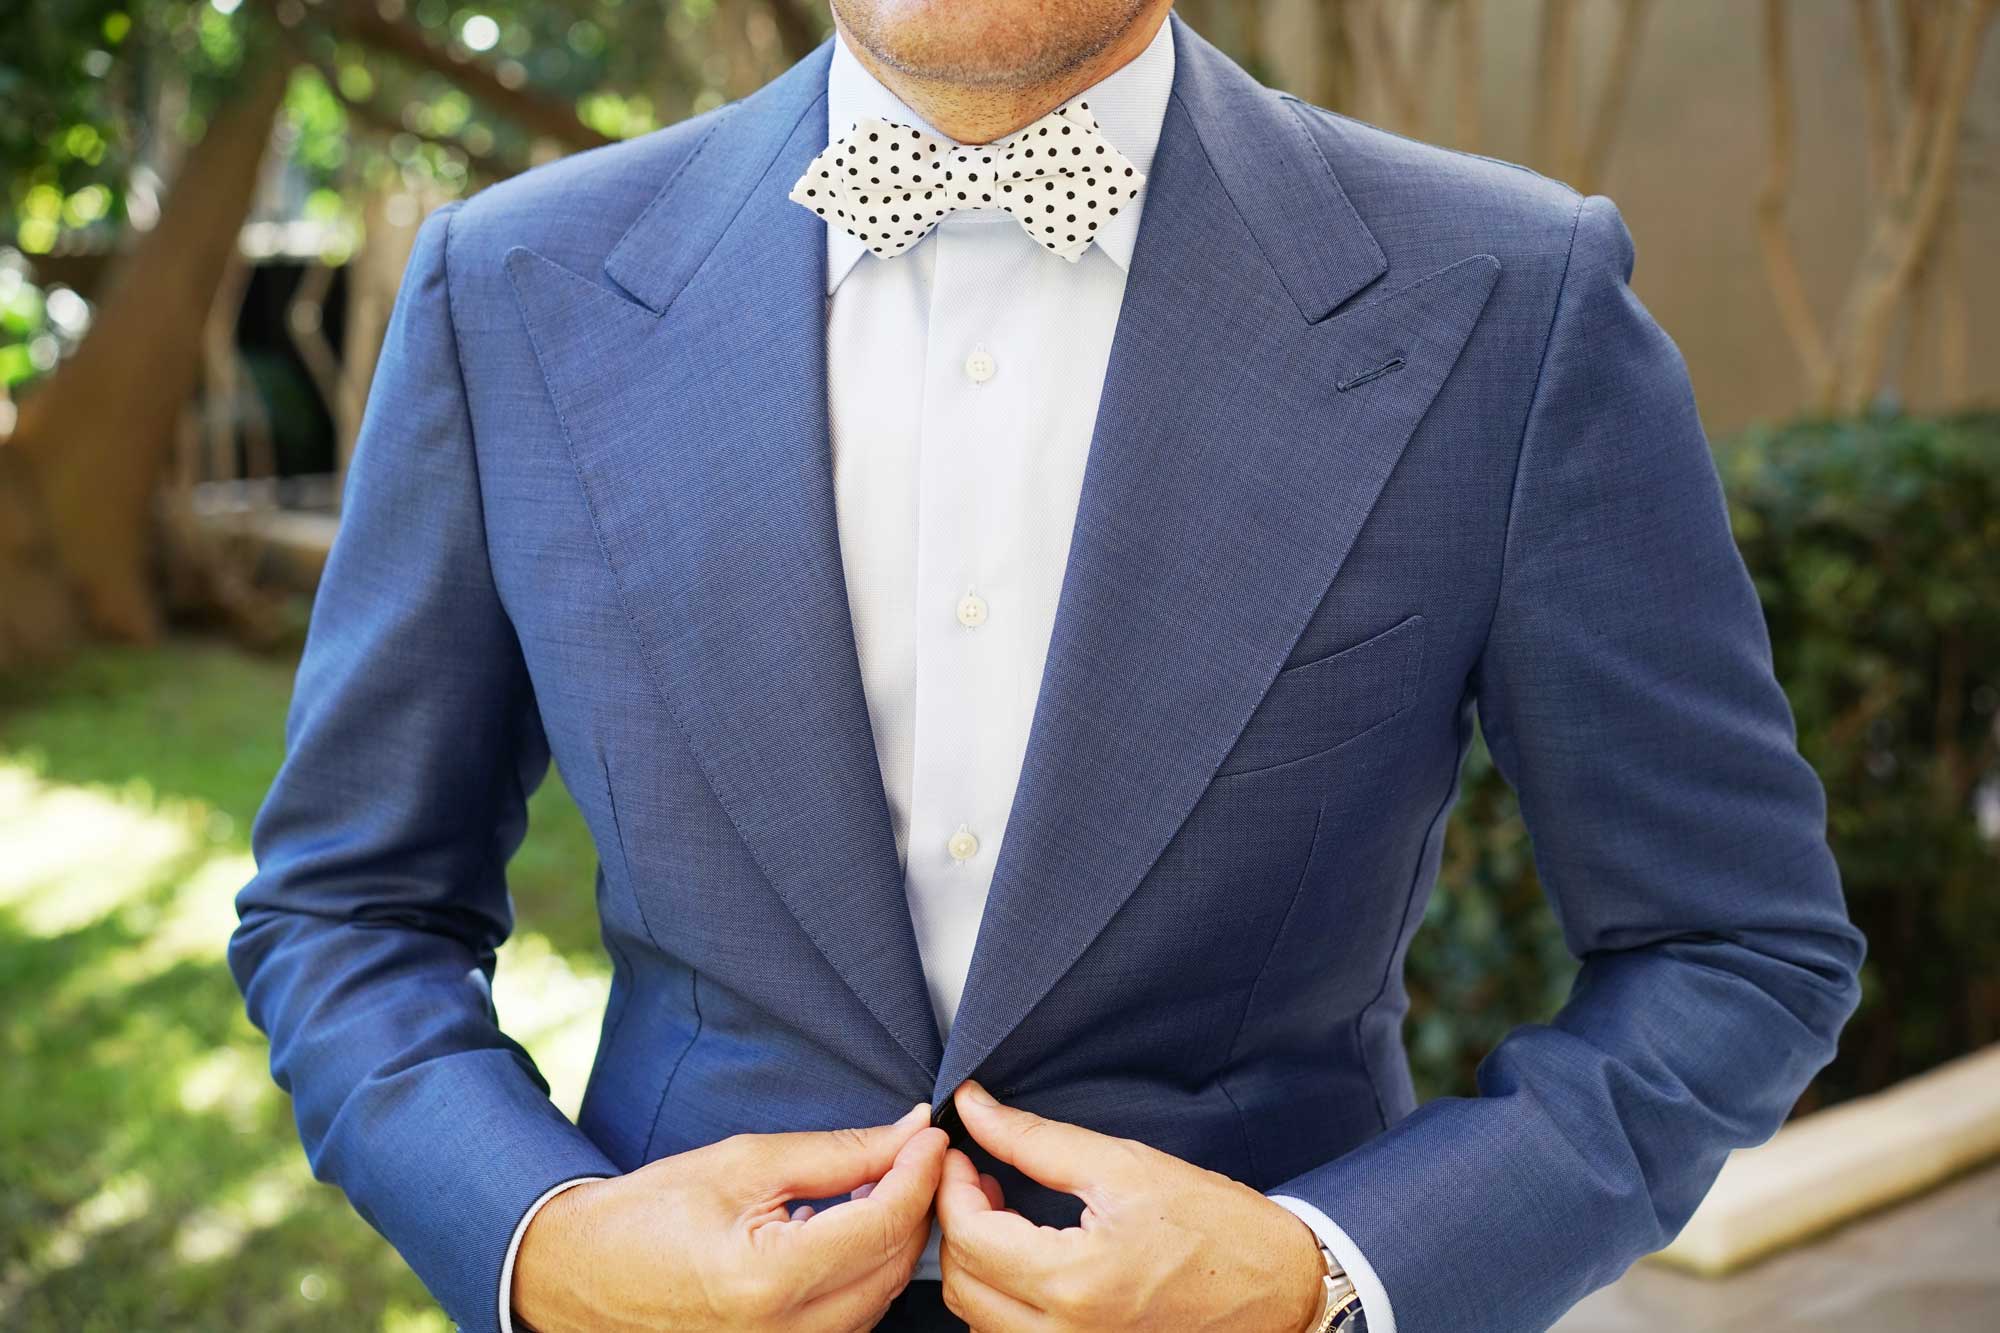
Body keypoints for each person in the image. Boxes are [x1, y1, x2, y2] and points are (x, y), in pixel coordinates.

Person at [228, 2, 1867, 1330]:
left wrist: (1334, 1275)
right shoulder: (508, 290)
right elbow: (346, 908)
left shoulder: (1513, 302)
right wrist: (544, 1242)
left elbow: (1737, 947)